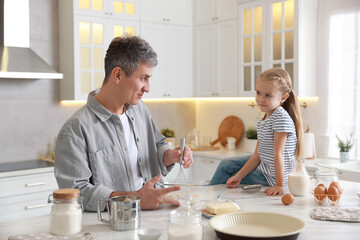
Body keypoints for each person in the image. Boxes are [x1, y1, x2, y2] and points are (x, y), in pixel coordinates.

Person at [54, 35, 193, 211]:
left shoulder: (139, 109)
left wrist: (169, 155)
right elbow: (76, 193)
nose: (148, 88)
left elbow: (157, 144)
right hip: (112, 228)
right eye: (143, 78)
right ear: (118, 75)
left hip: (154, 216)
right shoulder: (75, 131)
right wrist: (134, 199)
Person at [210, 68, 303, 196]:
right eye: (258, 92)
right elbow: (257, 155)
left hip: (272, 177)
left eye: (268, 95)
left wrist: (279, 185)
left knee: (227, 173)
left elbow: (278, 154)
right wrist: (239, 176)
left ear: (283, 98)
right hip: (265, 166)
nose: (261, 99)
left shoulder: (281, 118)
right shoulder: (264, 119)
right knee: (226, 165)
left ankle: (212, 199)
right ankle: (211, 197)